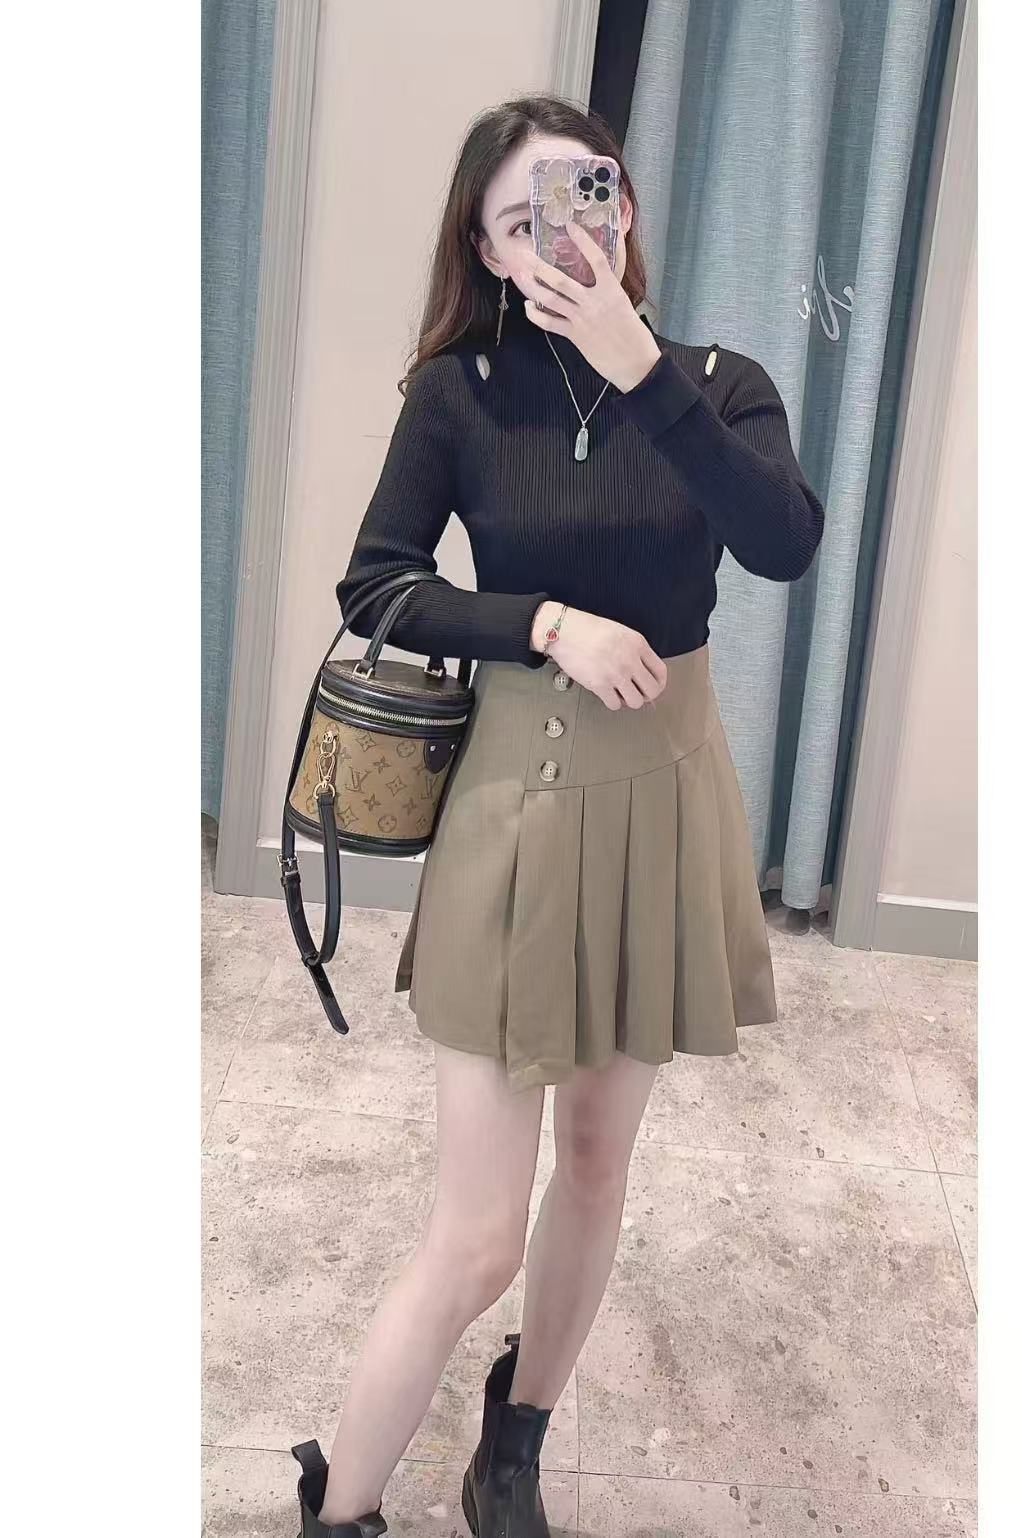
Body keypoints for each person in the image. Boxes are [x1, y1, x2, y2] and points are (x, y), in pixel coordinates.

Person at [291, 94, 825, 1538]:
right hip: (512, 811)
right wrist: (542, 623)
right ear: (484, 247)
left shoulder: (715, 383)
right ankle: (337, 1508)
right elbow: (378, 583)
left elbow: (783, 541)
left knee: (595, 1160)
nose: (559, 238)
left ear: (624, 204)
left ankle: (512, 1445)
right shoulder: (460, 393)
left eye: (582, 199)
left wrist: (638, 370)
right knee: (475, 1235)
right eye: (519, 221)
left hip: (664, 799)